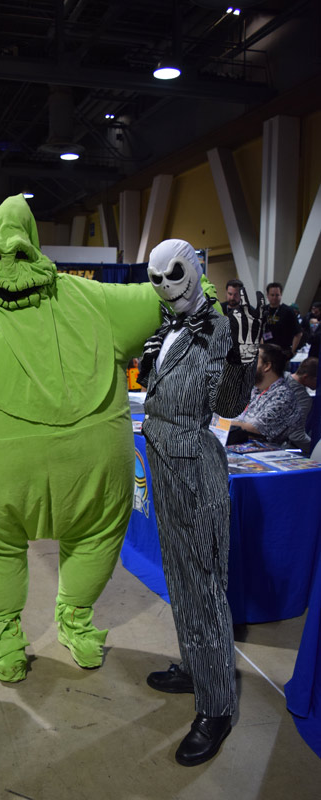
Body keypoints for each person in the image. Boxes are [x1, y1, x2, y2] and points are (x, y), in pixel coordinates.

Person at [0, 194, 220, 685]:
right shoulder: (95, 300)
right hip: (81, 482)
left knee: (8, 548)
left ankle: (40, 624)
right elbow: (178, 294)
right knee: (82, 539)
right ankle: (38, 623)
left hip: (2, 492)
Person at [138, 239, 262, 767]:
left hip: (194, 467)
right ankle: (195, 668)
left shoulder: (218, 329)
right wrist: (149, 366)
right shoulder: (168, 325)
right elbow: (158, 388)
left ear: (193, 269)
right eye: (156, 278)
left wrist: (244, 359)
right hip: (163, 463)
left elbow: (229, 405)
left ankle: (216, 706)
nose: (167, 286)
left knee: (205, 585)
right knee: (179, 575)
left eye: (174, 274)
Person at [231, 343, 302, 445]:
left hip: (261, 452)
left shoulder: (283, 396)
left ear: (267, 366)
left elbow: (256, 428)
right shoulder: (253, 390)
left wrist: (219, 423)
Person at [283, 357, 318, 454]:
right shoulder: (303, 399)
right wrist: (315, 449)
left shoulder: (279, 377)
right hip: (279, 446)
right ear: (306, 377)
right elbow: (296, 435)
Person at [264, 282, 302, 358]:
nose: (274, 297)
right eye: (272, 295)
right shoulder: (262, 310)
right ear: (267, 296)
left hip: (283, 352)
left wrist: (292, 351)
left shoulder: (288, 311)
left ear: (281, 295)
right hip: (266, 352)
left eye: (277, 295)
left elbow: (298, 333)